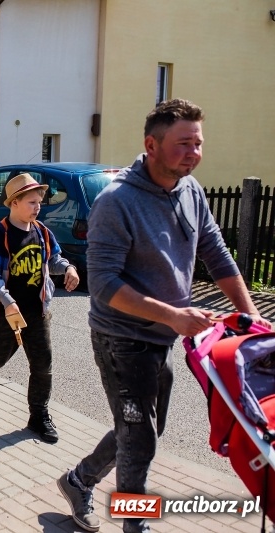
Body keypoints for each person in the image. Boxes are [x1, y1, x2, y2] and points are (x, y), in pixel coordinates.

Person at [57, 99, 270, 533]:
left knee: (143, 431)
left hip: (163, 336)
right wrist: (174, 315)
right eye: (182, 143)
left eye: (198, 143)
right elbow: (104, 284)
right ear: (151, 145)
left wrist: (254, 321)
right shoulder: (116, 202)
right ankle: (136, 524)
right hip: (121, 338)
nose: (193, 152)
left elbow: (218, 254)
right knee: (139, 440)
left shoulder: (191, 191)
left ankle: (79, 479)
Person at [0, 173, 80, 444]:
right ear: (14, 203)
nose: (38, 207)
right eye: (32, 202)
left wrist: (68, 268)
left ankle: (39, 415)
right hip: (7, 314)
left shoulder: (42, 231)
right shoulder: (0, 234)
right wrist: (7, 300)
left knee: (42, 365)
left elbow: (55, 258)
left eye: (39, 202)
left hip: (38, 312)